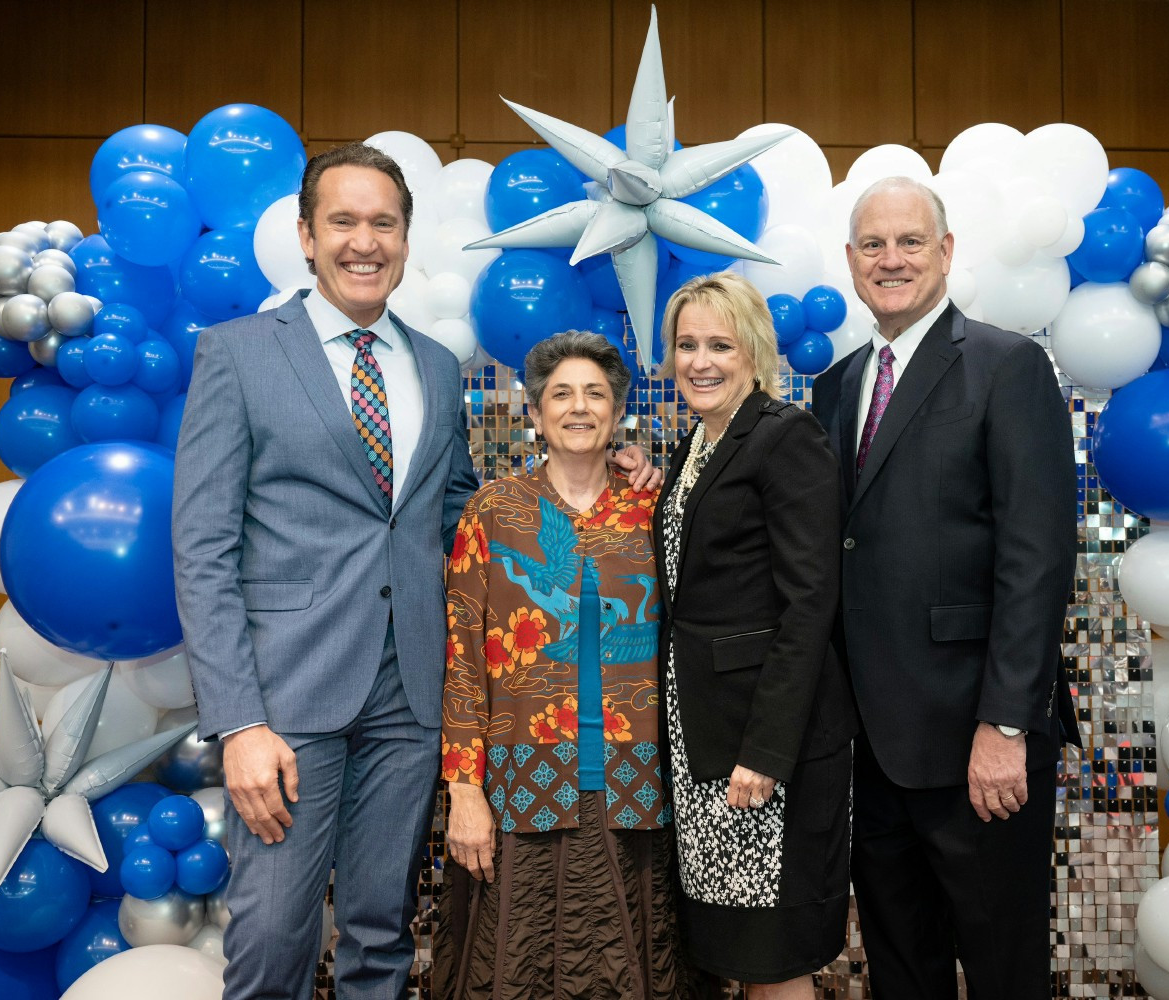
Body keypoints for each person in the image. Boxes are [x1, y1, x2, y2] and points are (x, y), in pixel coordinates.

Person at [171, 143, 655, 999]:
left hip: (410, 699)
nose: (367, 241)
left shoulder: (434, 364)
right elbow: (201, 549)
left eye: (384, 223)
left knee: (382, 932)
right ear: (306, 236)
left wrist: (612, 467)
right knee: (275, 940)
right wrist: (238, 720)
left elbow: (463, 515)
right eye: (344, 222)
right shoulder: (237, 353)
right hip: (286, 703)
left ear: (405, 236)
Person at [810, 176, 1079, 1000]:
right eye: (872, 245)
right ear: (852, 261)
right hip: (872, 749)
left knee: (1003, 971)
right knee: (901, 972)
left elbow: (1036, 561)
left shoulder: (1008, 366)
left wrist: (1004, 723)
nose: (890, 260)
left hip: (976, 745)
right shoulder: (836, 385)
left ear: (947, 252)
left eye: (910, 242)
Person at [435, 331, 700, 999]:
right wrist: (464, 791)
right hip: (521, 790)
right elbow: (463, 656)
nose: (578, 407)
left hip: (635, 789)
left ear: (617, 413)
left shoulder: (656, 507)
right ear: (535, 412)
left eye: (595, 394)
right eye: (561, 394)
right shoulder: (493, 513)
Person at [655, 273, 858, 997]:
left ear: (754, 352)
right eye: (686, 345)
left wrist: (767, 751)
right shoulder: (695, 447)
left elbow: (810, 604)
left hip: (764, 751)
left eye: (720, 344)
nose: (700, 361)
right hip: (702, 743)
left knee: (774, 961)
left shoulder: (784, 435)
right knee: (737, 956)